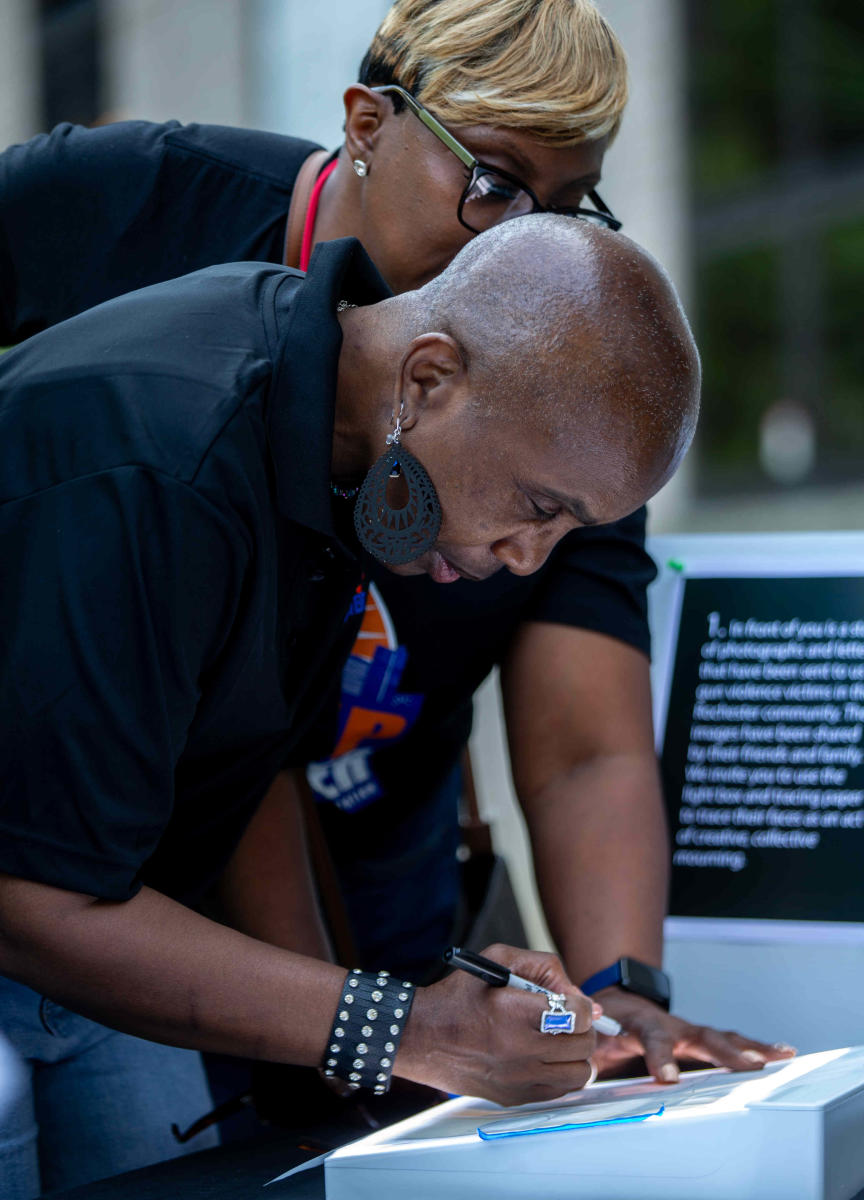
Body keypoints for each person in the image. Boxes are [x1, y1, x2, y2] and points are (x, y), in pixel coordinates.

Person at [0, 0, 792, 1103]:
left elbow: (581, 746)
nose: (527, 242)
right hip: (84, 861)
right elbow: (43, 888)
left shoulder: (565, 377)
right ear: (369, 124)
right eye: (497, 184)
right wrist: (387, 1028)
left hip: (297, 854)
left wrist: (614, 999)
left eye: (572, 207)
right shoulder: (130, 249)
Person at [0, 216, 697, 1195]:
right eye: (541, 507)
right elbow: (31, 893)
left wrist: (381, 1036)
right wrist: (401, 1027)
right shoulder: (165, 450)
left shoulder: (331, 428)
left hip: (108, 938)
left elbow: (235, 781)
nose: (527, 561)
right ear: (428, 379)